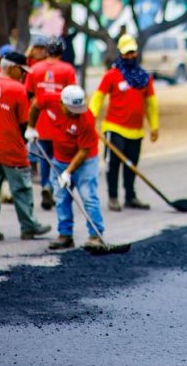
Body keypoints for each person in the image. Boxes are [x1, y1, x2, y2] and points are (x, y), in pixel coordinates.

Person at [0, 52, 51, 243]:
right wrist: (26, 136)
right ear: (13, 67)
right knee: (21, 189)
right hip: (11, 150)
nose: (23, 75)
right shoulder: (17, 89)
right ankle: (29, 227)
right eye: (22, 71)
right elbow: (23, 125)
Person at [88, 34, 159, 212]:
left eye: (132, 53)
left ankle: (130, 196)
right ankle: (113, 197)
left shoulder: (144, 77)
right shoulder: (112, 75)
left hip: (136, 131)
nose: (130, 56)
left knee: (132, 164)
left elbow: (151, 103)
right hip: (114, 128)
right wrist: (89, 118)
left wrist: (154, 126)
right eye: (126, 53)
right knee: (113, 164)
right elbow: (97, 98)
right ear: (120, 54)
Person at [30, 85, 103, 250]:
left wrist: (68, 173)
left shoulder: (86, 118)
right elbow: (35, 106)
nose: (75, 112)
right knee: (62, 198)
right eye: (71, 108)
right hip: (60, 159)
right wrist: (31, 128)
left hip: (85, 162)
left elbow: (84, 150)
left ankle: (96, 236)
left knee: (88, 197)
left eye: (78, 108)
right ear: (61, 103)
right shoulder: (50, 99)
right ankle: (65, 235)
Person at [24, 36, 77, 211]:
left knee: (45, 157)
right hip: (61, 121)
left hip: (40, 120)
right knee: (58, 158)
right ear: (61, 51)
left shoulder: (35, 69)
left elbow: (28, 94)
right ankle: (52, 187)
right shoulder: (67, 70)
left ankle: (46, 185)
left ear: (47, 51)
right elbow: (72, 96)